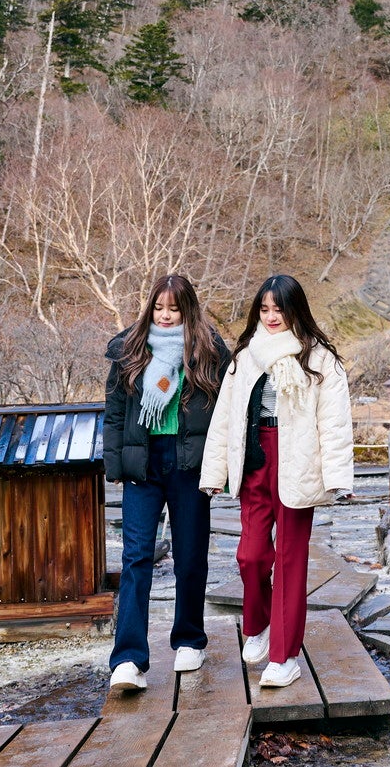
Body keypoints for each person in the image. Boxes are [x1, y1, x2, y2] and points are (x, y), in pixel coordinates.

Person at [199, 274, 354, 689]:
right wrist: (214, 474)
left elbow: (334, 423)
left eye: (278, 309)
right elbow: (226, 419)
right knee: (250, 556)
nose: (271, 316)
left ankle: (284, 657)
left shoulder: (320, 359)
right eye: (264, 309)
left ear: (294, 310)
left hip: (299, 462)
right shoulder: (246, 357)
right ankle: (258, 625)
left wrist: (339, 477)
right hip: (255, 459)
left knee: (289, 560)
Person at [103, 274, 230, 694]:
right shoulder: (130, 350)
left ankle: (190, 640)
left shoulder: (208, 350)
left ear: (187, 309)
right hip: (143, 464)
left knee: (190, 556)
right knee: (137, 557)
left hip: (189, 464)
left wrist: (221, 465)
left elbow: (225, 410)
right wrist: (115, 464)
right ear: (150, 307)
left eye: (174, 308)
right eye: (159, 307)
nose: (165, 315)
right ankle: (127, 660)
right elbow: (115, 413)